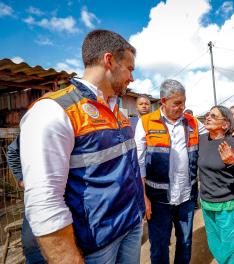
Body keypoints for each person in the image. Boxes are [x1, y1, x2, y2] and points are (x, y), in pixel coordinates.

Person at [20, 29, 145, 264]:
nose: (132, 78)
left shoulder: (118, 111)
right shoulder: (54, 111)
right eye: (129, 68)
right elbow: (44, 202)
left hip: (130, 226)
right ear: (109, 61)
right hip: (95, 246)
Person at [135, 79, 234, 264]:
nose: (181, 107)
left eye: (184, 102)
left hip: (186, 198)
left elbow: (217, 131)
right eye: (176, 103)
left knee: (185, 243)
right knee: (159, 245)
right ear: (163, 101)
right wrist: (143, 197)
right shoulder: (145, 123)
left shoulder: (192, 122)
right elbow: (138, 163)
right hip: (159, 199)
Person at [198, 105, 234, 264]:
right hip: (207, 204)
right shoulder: (200, 140)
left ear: (225, 124)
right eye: (208, 114)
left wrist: (232, 163)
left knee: (232, 249)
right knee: (216, 244)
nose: (208, 118)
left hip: (227, 204)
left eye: (213, 116)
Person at [7, 136, 46, 263]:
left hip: (70, 194)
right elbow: (12, 152)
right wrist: (22, 179)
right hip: (39, 196)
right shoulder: (39, 125)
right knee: (33, 246)